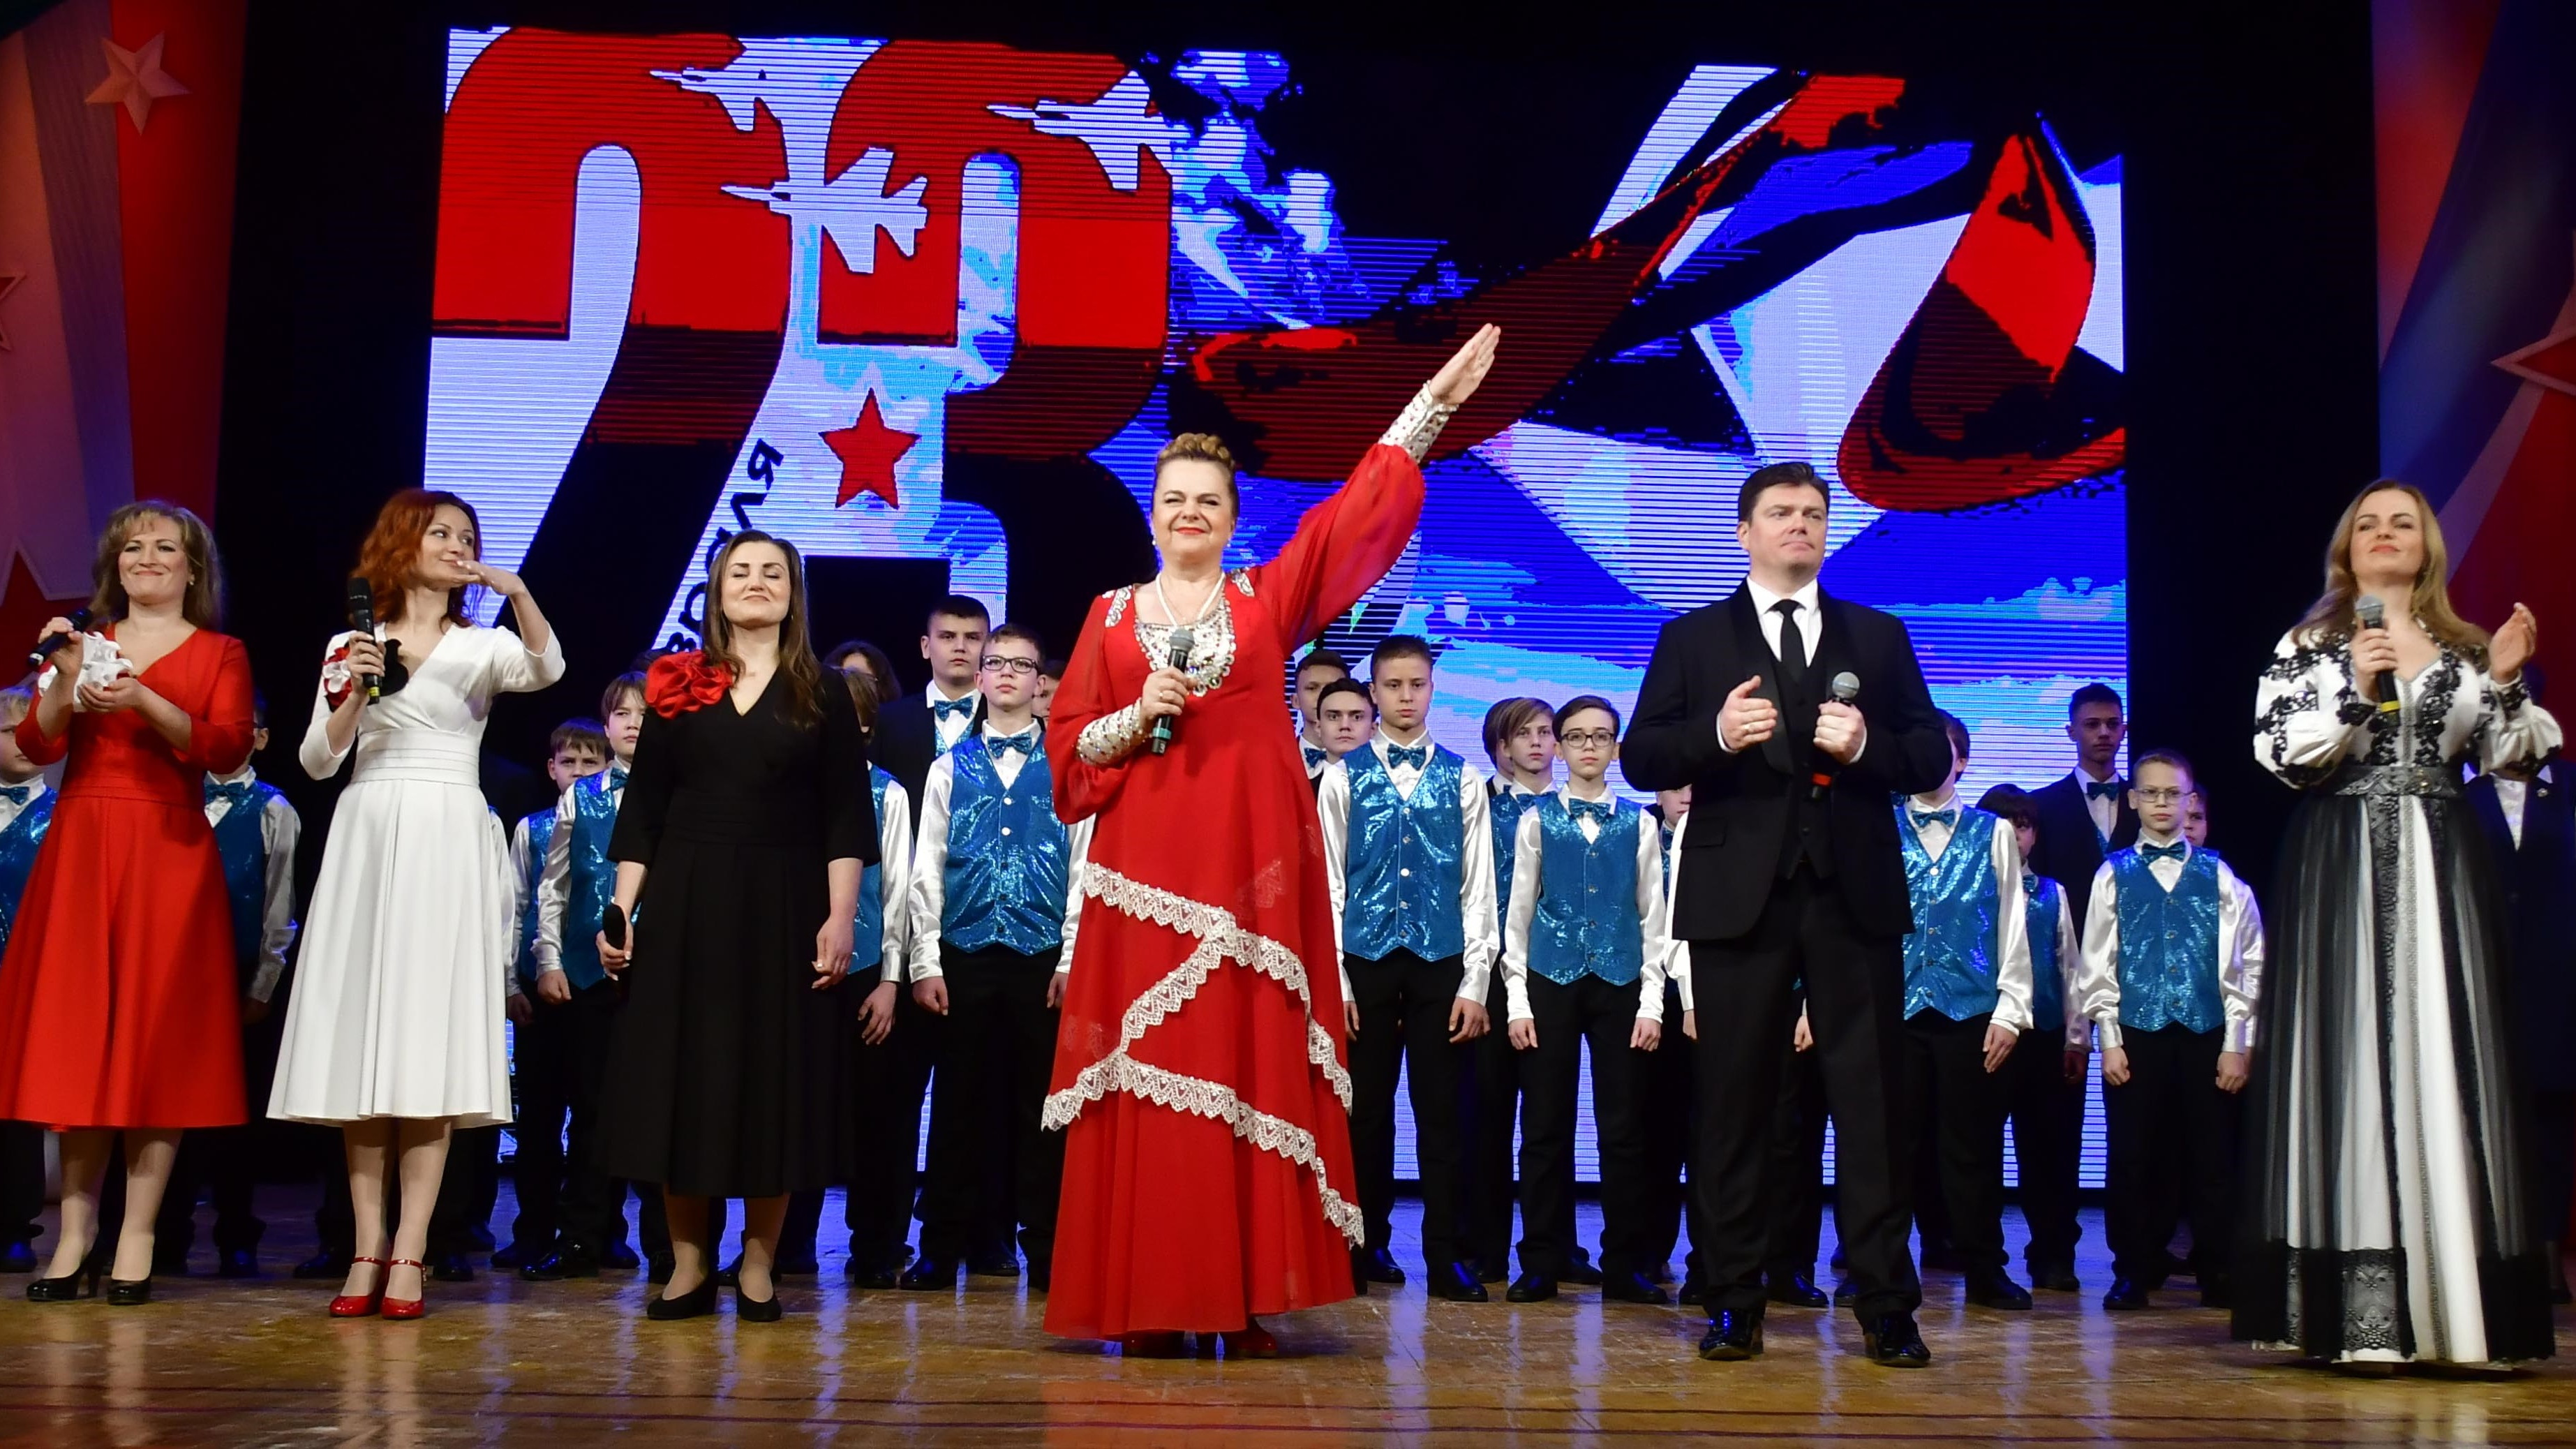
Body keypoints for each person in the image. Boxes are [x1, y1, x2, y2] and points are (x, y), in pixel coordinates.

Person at [1043, 324, 1501, 1355]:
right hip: (1141, 879)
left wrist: (1428, 409)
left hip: (1250, 883)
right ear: (1152, 515)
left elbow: (1349, 518)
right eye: (1174, 500)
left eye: (1207, 501)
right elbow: (1069, 752)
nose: (1189, 513)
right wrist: (1134, 716)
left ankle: (1239, 1296)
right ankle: (1151, 1300)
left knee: (1246, 1083)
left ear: (1231, 516)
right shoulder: (1107, 616)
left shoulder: (1265, 597)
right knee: (1150, 1083)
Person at [1622, 458, 1953, 1369]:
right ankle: (1732, 1299)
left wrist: (1869, 745)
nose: (1799, 525)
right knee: (1731, 1108)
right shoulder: (1692, 638)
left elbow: (1928, 755)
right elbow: (1640, 756)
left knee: (1872, 1107)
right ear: (1745, 532)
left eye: (1812, 513)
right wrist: (1713, 736)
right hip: (1737, 900)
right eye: (1780, 512)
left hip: (1853, 897)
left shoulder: (1876, 635)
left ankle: (1885, 1305)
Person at [2239, 481, 2560, 1367]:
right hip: (2341, 857)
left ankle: (2454, 1311)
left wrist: (2504, 680)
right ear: (2347, 548)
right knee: (2352, 1054)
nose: (2384, 535)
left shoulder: (2463, 647)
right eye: (2368, 525)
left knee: (2443, 1050)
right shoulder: (2310, 643)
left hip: (2442, 859)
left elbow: (2513, 756)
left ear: (2426, 546)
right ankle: (2360, 1316)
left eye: (2402, 524)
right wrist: (2355, 685)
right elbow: (2281, 752)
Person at [270, 489, 561, 1320]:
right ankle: (366, 1247)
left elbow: (548, 668)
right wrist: (353, 692)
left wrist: (516, 590)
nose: (458, 545)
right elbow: (318, 761)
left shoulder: (482, 644)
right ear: (403, 542)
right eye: (442, 532)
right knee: (367, 1044)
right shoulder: (351, 643)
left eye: (468, 535)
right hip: (371, 826)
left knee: (428, 1045)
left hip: (447, 831)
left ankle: (411, 1249)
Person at [594, 530, 879, 1323]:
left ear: (793, 592)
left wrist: (841, 919)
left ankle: (757, 1263)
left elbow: (845, 818)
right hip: (686, 902)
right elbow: (644, 811)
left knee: (772, 1082)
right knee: (682, 1079)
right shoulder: (678, 683)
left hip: (786, 903)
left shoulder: (825, 691)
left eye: (772, 573)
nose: (756, 583)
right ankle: (688, 1265)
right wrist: (621, 910)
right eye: (740, 572)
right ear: (717, 591)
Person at [0, 502, 256, 1304]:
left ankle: (137, 1234)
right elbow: (36, 744)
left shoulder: (220, 652)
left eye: (164, 547)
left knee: (155, 1044)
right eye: (132, 546)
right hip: (83, 849)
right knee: (81, 1044)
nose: (146, 557)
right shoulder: (85, 640)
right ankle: (74, 1238)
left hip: (167, 855)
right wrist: (64, 677)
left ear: (192, 568)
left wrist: (142, 700)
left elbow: (226, 748)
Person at [902, 622, 1090, 1292]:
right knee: (956, 1104)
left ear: (1040, 682)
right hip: (964, 954)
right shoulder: (948, 767)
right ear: (979, 676)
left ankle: (1046, 1249)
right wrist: (925, 962)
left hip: (1041, 958)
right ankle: (939, 1245)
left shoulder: (1068, 767)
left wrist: (1071, 957)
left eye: (1021, 664)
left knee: (1041, 1107)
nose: (1007, 672)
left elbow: (1083, 868)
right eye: (995, 662)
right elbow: (925, 869)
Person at [1318, 634, 1498, 1304]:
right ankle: (1361, 1245)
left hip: (1439, 962)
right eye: (1392, 686)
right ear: (1373, 691)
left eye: (1416, 685)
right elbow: (1329, 884)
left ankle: (1446, 1255)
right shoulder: (1342, 777)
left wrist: (1474, 983)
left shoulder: (1464, 778)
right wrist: (1335, 979)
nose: (1404, 696)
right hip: (1363, 962)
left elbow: (1478, 889)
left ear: (1431, 689)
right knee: (1363, 1115)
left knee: (1441, 1115)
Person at [2073, 750, 2262, 1313]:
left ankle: (2217, 1268)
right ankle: (2132, 1269)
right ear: (2132, 799)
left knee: (2212, 1158)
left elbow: (2246, 963)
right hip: (2137, 1033)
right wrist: (2108, 1039)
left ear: (2189, 801)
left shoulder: (2220, 876)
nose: (2161, 803)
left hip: (2206, 1032)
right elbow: (2096, 963)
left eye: (2172, 793)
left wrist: (2236, 1044)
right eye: (2150, 792)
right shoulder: (2112, 874)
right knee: (2132, 1157)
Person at [1498, 694, 1672, 1305]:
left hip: (1620, 983)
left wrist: (1651, 1003)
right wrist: (1517, 1001)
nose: (1588, 747)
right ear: (1560, 746)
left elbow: (1654, 918)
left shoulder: (1640, 824)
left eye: (1600, 736)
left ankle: (1624, 1263)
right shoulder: (1536, 820)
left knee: (1624, 1130)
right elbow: (1518, 915)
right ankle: (1541, 1260)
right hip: (1549, 980)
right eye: (1575, 736)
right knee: (1544, 1127)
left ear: (1616, 748)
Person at [775, 667, 916, 1288]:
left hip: (866, 973)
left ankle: (877, 1246)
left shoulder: (888, 794)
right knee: (795, 1110)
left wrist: (890, 981)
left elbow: (899, 893)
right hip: (798, 969)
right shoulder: (785, 791)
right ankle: (786, 1245)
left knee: (876, 1115)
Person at [155, 692, 304, 1278]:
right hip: (173, 973)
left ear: (260, 738)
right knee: (169, 1109)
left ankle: (236, 1234)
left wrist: (263, 984)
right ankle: (165, 1232)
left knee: (235, 1117)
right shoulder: (172, 796)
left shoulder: (273, 810)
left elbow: (279, 904)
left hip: (237, 974)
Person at [1891, 713, 2033, 1311]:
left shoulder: (1993, 832)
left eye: (1941, 750)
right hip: (1895, 1010)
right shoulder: (1879, 825)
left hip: (1970, 1011)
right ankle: (1882, 1268)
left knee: (1970, 1149)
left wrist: (2009, 1011)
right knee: (1891, 1149)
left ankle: (1983, 1268)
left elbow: (2011, 924)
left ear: (1962, 761)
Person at [523, 686, 655, 1282]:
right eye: (622, 713)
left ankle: (668, 1248)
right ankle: (580, 1238)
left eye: (645, 713)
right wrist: (548, 959)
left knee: (658, 1111)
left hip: (658, 973)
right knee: (591, 1112)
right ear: (607, 725)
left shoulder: (680, 790)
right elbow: (553, 885)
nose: (633, 723)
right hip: (587, 973)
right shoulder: (581, 796)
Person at [2463, 681, 2575, 1307]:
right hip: (2481, 978)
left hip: (2555, 983)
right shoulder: (2459, 794)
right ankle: (2488, 1255)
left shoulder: (2569, 788)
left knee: (2551, 1120)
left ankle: (2546, 1251)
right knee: (2481, 1118)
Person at [1975, 784, 2086, 1293]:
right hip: (1989, 1035)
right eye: (2003, 825)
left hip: (2043, 1036)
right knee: (1981, 1150)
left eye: (2022, 825)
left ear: (2034, 834)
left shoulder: (2051, 893)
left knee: (2049, 1151)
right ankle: (1984, 1253)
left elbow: (2070, 968)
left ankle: (2052, 1253)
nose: (2014, 834)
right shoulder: (1972, 893)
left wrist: (2076, 1038)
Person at [1464, 696, 1556, 1285]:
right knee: (1487, 1115)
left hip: (1551, 974)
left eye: (1545, 732)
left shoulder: (1573, 810)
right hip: (1490, 976)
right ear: (1500, 746)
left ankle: (1552, 1248)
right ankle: (1485, 1247)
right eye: (1523, 734)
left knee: (1549, 1119)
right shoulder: (1479, 808)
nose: (1537, 743)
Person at [0, 686, 60, 1277]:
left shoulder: (64, 816)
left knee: (19, 1103)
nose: (20, 742)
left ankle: (16, 1224)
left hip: (35, 976)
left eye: (32, 731)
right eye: (7, 732)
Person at [2028, 683, 2138, 927]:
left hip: (2138, 939)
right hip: (2067, 940)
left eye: (2113, 724)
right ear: (2071, 732)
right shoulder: (2040, 805)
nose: (2104, 733)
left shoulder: (2146, 803)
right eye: (2092, 724)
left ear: (2124, 731)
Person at [872, 597, 990, 806]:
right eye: (947, 637)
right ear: (926, 646)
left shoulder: (1006, 722)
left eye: (972, 638)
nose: (960, 647)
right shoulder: (887, 721)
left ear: (989, 649)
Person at [1295, 649, 1353, 780]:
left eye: (1332, 688)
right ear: (1295, 700)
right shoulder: (1275, 761)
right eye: (1312, 688)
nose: (1322, 696)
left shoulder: (1370, 763)